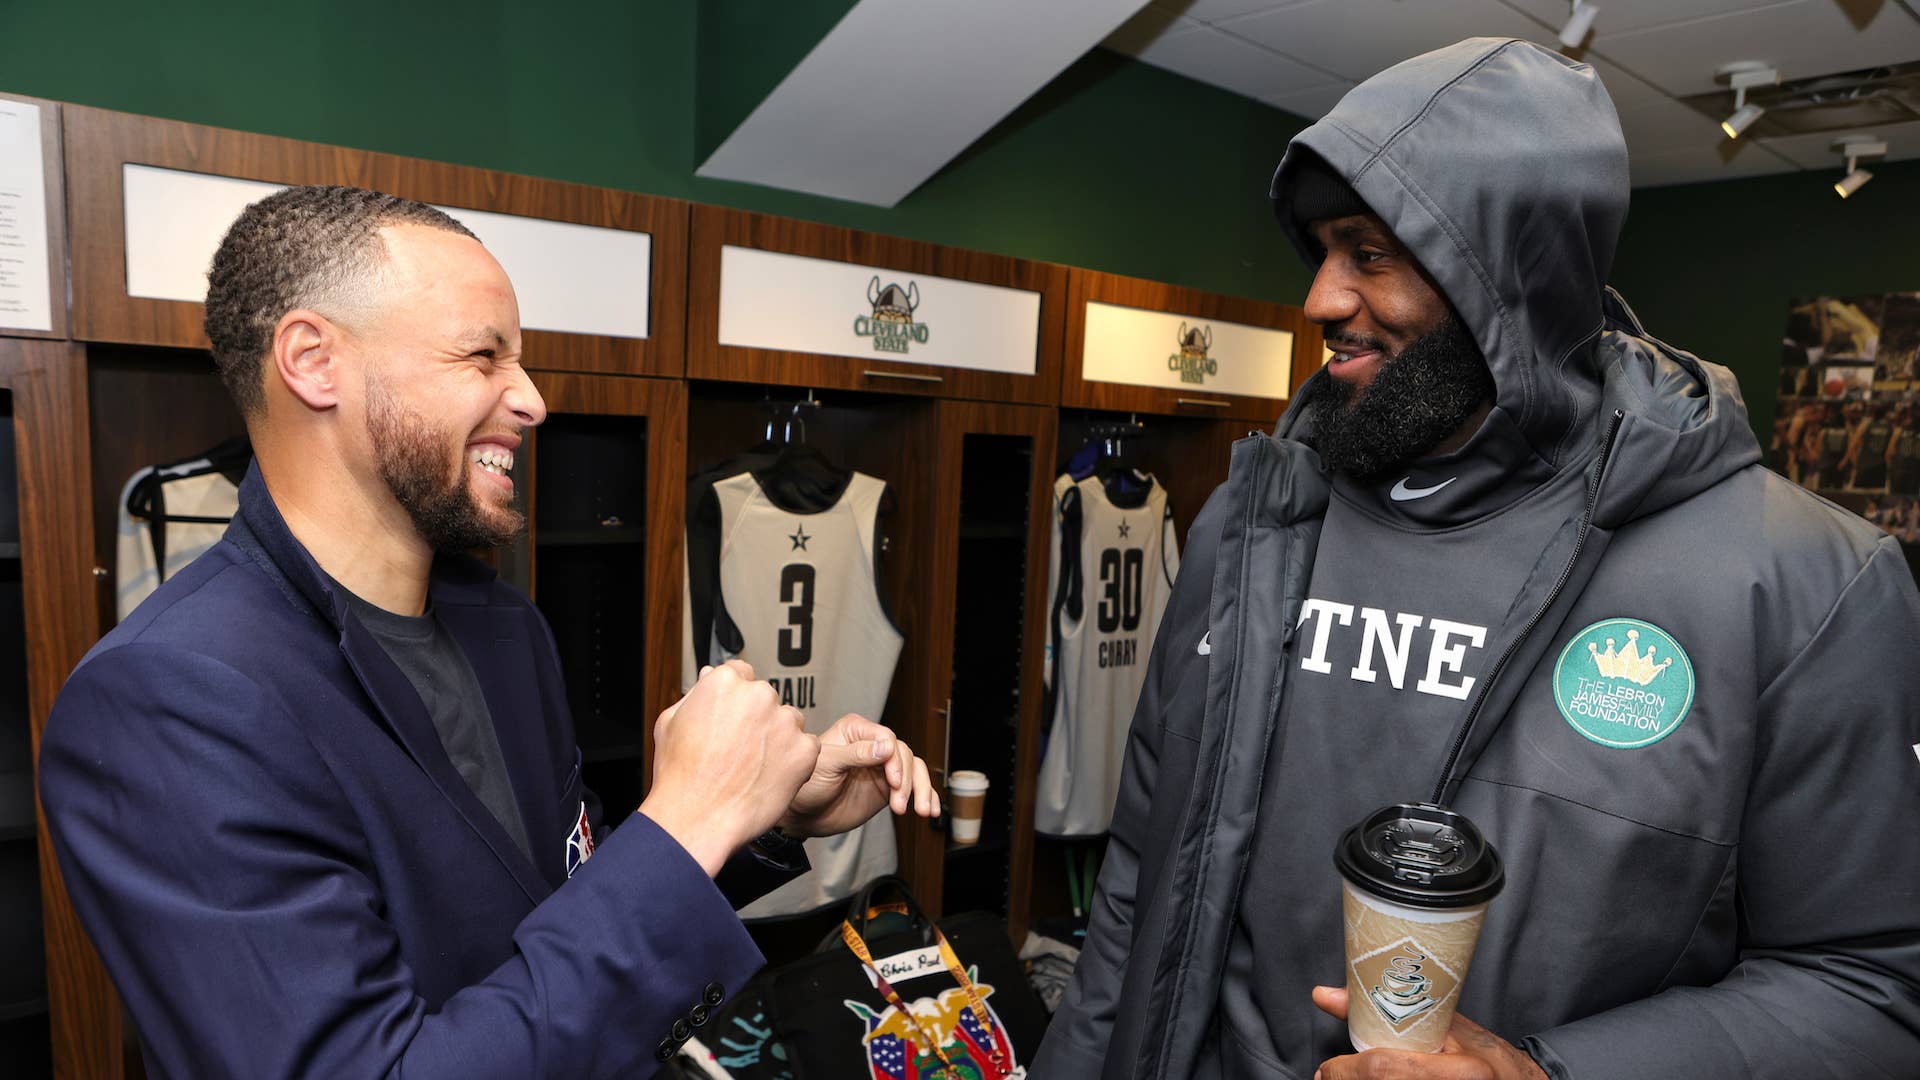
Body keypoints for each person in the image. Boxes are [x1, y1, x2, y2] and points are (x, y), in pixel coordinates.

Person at [1033, 37, 1920, 1080]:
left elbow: (1872, 989)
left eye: (1369, 253)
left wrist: (1546, 1074)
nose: (1320, 298)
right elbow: (1143, 879)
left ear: (1510, 277)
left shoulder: (1806, 583)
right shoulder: (1256, 520)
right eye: (1319, 250)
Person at [38, 185, 939, 1079]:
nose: (533, 400)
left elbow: (562, 925)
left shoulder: (504, 627)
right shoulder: (169, 698)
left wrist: (758, 814)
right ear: (314, 362)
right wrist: (687, 818)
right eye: (483, 355)